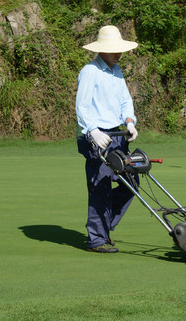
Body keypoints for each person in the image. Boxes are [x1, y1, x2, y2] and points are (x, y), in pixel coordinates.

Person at [75, 25, 139, 253]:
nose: (118, 53)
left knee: (131, 182)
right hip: (95, 136)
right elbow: (82, 106)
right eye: (113, 49)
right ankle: (97, 239)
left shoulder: (116, 70)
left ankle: (102, 227)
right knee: (100, 187)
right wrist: (92, 130)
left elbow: (125, 100)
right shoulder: (90, 71)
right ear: (101, 50)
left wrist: (130, 122)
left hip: (116, 134)